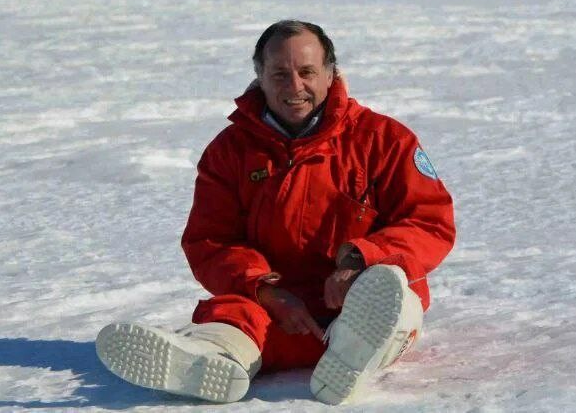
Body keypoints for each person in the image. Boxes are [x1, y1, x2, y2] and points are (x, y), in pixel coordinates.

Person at [96, 20, 455, 405]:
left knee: (392, 292)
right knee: (234, 315)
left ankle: (354, 351)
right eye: (280, 74)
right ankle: (211, 359)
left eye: (307, 72)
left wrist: (358, 261)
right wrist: (267, 291)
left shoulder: (384, 140)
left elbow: (429, 223)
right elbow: (210, 241)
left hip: (364, 300)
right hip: (281, 313)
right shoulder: (229, 151)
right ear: (261, 78)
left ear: (331, 73)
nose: (295, 87)